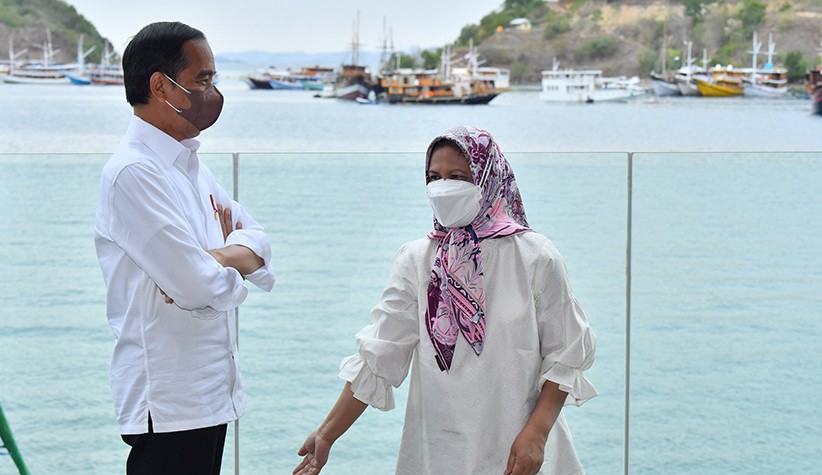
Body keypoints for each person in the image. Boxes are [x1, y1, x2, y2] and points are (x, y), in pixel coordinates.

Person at [294, 126, 596, 475]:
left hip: (519, 446)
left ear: (487, 178)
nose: (443, 187)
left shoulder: (534, 256)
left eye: (458, 176)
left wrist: (537, 432)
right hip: (438, 447)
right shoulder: (416, 259)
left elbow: (567, 353)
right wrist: (327, 434)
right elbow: (381, 356)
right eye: (433, 177)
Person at [94, 22, 275, 475]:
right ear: (161, 86)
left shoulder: (192, 167)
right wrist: (226, 265)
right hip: (169, 402)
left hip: (211, 393)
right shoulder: (134, 174)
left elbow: (259, 243)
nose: (212, 93)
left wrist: (216, 260)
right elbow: (196, 287)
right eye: (202, 80)